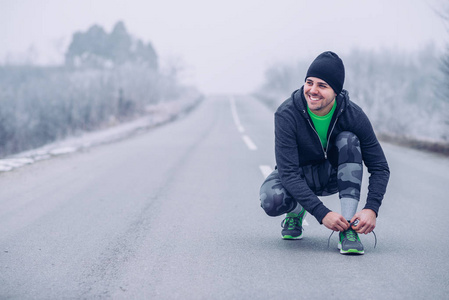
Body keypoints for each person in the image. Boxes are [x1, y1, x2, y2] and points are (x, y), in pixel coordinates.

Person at [259, 51, 390, 255]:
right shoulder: (287, 114)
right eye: (309, 82)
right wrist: (323, 214)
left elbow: (380, 167)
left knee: (349, 140)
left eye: (322, 85)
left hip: (332, 176)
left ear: (335, 91)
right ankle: (295, 212)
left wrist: (371, 208)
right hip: (298, 176)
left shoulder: (353, 115)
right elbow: (288, 173)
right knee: (272, 199)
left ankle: (347, 229)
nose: (313, 90)